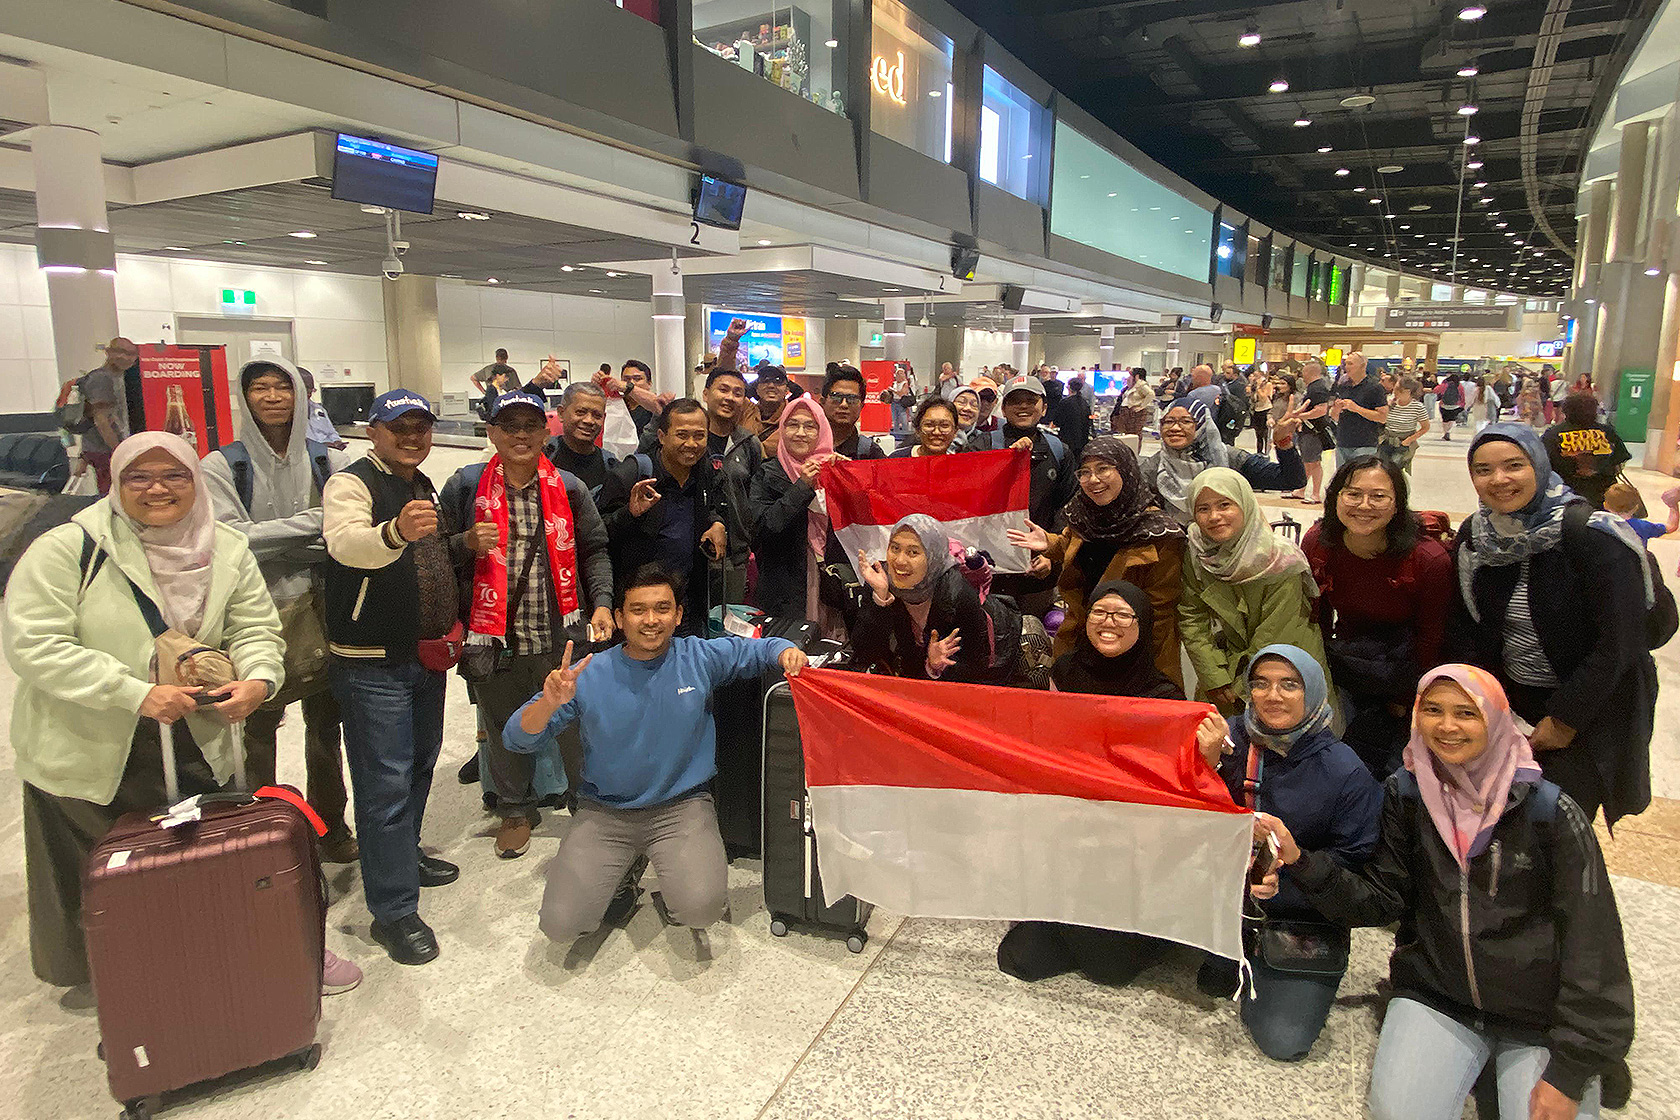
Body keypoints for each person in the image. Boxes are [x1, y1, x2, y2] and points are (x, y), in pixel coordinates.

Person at [6, 432, 357, 996]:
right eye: (138, 477)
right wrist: (131, 692)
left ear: (196, 480)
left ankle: (255, 953)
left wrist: (259, 679)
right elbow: (34, 644)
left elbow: (254, 628)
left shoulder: (223, 547)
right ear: (116, 484)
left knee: (206, 849)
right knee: (107, 869)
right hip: (91, 742)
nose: (158, 489)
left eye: (174, 475)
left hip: (193, 731)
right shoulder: (68, 549)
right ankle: (129, 986)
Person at [1262, 665, 1633, 1120]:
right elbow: (1382, 899)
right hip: (1439, 995)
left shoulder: (1548, 811)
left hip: (1538, 1016)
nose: (1447, 726)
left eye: (1466, 713)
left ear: (1496, 720)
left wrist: (1571, 1071)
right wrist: (1302, 861)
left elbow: (1594, 950)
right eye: (1432, 710)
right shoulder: (1408, 793)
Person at [512, 564, 809, 944]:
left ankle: (668, 876)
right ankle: (623, 877)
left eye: (662, 608)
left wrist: (787, 651)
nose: (651, 620)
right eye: (638, 610)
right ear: (619, 618)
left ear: (679, 614)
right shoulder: (587, 674)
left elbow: (760, 649)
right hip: (605, 812)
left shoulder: (697, 657)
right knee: (560, 926)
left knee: (701, 908)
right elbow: (517, 739)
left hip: (680, 809)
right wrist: (549, 705)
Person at [997, 580, 1229, 985]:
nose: (1110, 623)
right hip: (1069, 831)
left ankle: (1151, 931)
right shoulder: (1065, 673)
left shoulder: (1164, 698)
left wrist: (1207, 757)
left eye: (1124, 615)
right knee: (1019, 959)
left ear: (1143, 626)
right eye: (1101, 612)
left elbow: (1182, 788)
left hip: (1129, 848)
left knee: (1110, 969)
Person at [1446, 424, 1657, 827]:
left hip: (1588, 709)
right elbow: (1468, 625)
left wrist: (1565, 719)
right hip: (1511, 705)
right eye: (1483, 469)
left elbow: (1619, 642)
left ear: (1539, 467)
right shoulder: (1477, 535)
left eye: (1513, 466)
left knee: (1558, 828)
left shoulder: (1591, 534)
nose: (1499, 480)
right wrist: (1483, 702)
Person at [323, 390, 466, 965]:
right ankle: (393, 910)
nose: (413, 436)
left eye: (421, 427)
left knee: (420, 762)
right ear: (373, 431)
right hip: (370, 660)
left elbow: (427, 556)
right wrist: (394, 533)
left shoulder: (420, 483)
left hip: (422, 655)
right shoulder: (351, 484)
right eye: (399, 427)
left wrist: (459, 545)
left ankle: (403, 855)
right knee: (384, 783)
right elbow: (347, 545)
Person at [440, 390, 615, 859]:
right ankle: (515, 810)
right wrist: (464, 542)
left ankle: (590, 808)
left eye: (530, 426)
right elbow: (435, 551)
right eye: (509, 426)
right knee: (502, 724)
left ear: (545, 432)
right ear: (492, 432)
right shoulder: (465, 485)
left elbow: (594, 548)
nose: (520, 435)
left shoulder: (569, 488)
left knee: (577, 722)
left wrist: (601, 602)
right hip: (492, 633)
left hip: (561, 630)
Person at [200, 358, 357, 864]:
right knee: (257, 730)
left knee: (326, 728)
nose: (271, 397)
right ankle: (257, 832)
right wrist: (307, 531)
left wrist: (273, 540)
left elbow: (339, 531)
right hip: (253, 616)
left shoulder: (325, 460)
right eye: (259, 388)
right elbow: (227, 541)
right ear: (243, 398)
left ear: (299, 394)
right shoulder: (221, 466)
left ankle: (332, 825)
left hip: (322, 608)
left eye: (281, 387)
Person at [1201, 645, 1382, 1060]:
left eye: (1289, 685)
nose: (1272, 696)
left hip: (1302, 916)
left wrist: (1293, 869)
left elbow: (1357, 873)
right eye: (1260, 684)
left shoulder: (1345, 771)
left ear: (1314, 692)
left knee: (1283, 1041)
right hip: (1229, 902)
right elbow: (1188, 816)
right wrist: (1205, 766)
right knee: (1210, 984)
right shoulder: (1230, 740)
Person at [1303, 457, 1453, 777]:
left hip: (1407, 670)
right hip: (1349, 662)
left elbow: (1432, 637)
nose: (1364, 505)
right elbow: (1318, 615)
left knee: (1391, 768)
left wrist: (1404, 697)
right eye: (1353, 494)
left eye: (1379, 496)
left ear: (1398, 503)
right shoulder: (1319, 543)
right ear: (1335, 497)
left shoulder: (1427, 559)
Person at [1007, 437, 1186, 684]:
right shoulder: (1084, 515)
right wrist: (1050, 543)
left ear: (1125, 470)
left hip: (1133, 656)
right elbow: (1076, 548)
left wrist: (1149, 678)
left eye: (1103, 469)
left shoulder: (1158, 532)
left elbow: (1160, 613)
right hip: (1080, 643)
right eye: (1085, 472)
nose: (1093, 480)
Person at [1178, 468, 1328, 713]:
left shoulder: (1279, 559)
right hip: (1226, 666)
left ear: (1245, 504)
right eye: (1203, 509)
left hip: (1285, 667)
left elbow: (1276, 634)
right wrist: (1214, 677)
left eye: (1225, 504)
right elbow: (1191, 615)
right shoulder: (1198, 551)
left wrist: (1239, 687)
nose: (1214, 516)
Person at [598, 399, 727, 636]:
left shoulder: (705, 471)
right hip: (639, 610)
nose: (691, 444)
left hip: (685, 607)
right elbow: (598, 538)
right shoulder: (630, 475)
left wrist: (717, 523)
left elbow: (715, 506)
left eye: (699, 436)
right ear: (661, 436)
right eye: (682, 435)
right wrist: (630, 514)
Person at [850, 515, 993, 683]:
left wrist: (934, 667)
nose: (900, 561)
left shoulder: (958, 594)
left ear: (933, 556)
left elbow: (976, 668)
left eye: (913, 552)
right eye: (895, 548)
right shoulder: (880, 581)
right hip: (909, 680)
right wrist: (881, 599)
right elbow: (863, 653)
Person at [747, 396, 840, 622]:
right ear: (782, 429)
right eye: (792, 424)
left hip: (832, 580)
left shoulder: (837, 470)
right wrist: (802, 487)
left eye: (810, 426)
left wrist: (847, 478)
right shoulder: (767, 474)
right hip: (785, 584)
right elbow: (764, 529)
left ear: (822, 431)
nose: (800, 433)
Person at [1140, 404, 1305, 526]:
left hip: (1230, 551)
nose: (1175, 428)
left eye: (1185, 421)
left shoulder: (1229, 459)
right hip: (1176, 552)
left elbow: (1290, 480)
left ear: (1203, 425)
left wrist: (1283, 443)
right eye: (1168, 421)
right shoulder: (1153, 468)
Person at [980, 375, 1076, 532]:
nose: (1023, 406)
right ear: (1003, 409)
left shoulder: (1059, 451)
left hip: (1042, 550)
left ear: (1044, 408)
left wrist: (1051, 546)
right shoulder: (983, 446)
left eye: (1031, 401)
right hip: (991, 549)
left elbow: (1068, 503)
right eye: (1016, 401)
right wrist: (1005, 460)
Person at [72, 336, 139, 493]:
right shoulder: (101, 378)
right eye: (120, 352)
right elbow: (101, 420)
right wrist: (118, 450)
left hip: (102, 450)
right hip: (105, 451)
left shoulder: (120, 379)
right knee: (113, 494)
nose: (124, 357)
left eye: (130, 354)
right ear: (108, 352)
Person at [1543, 392, 1630, 510]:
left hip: (1566, 498)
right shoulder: (1607, 432)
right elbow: (1620, 461)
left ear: (1566, 411)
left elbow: (1544, 466)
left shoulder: (1553, 434)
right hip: (1604, 498)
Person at [543, 381, 617, 494]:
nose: (589, 421)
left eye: (597, 415)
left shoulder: (612, 467)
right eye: (581, 412)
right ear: (561, 413)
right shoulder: (541, 456)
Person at [1282, 359, 1334, 502]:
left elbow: (1321, 410)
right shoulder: (1313, 387)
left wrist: (1299, 415)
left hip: (1314, 431)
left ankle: (1315, 494)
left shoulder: (1317, 388)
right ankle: (1301, 489)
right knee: (1307, 461)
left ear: (1308, 372)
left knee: (1314, 462)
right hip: (1307, 430)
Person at [1330, 352, 1388, 468]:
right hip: (1342, 442)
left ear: (1363, 366)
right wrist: (1336, 409)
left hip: (1365, 443)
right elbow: (1334, 417)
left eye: (1351, 364)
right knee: (1342, 479)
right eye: (1346, 364)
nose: (1347, 367)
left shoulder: (1375, 387)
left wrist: (1356, 408)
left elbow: (1382, 417)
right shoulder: (1343, 386)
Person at [821, 364, 887, 462]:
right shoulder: (805, 446)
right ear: (822, 402)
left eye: (852, 399)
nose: (844, 404)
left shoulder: (871, 454)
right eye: (836, 397)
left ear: (861, 406)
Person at [1378, 376, 1430, 477]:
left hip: (1403, 443)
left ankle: (1401, 490)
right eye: (1395, 388)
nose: (1395, 392)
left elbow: (1425, 427)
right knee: (1383, 469)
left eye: (1399, 390)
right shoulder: (1390, 403)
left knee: (1395, 470)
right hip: (1386, 441)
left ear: (1408, 392)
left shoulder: (1417, 407)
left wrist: (1409, 440)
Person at [890, 396, 965, 457]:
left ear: (955, 431)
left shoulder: (959, 466)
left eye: (944, 426)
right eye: (929, 425)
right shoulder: (896, 459)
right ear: (918, 429)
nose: (936, 432)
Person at [1603, 480, 1677, 542]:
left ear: (1605, 505)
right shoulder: (1643, 526)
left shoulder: (1599, 523)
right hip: (1634, 559)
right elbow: (1671, 527)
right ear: (1636, 507)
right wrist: (1673, 506)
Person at [296, 367, 348, 450]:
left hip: (329, 451)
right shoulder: (285, 413)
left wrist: (337, 441)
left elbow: (331, 432)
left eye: (311, 390)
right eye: (306, 389)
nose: (309, 394)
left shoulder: (319, 409)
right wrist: (321, 445)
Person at [750, 365, 795, 453]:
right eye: (765, 380)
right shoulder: (746, 411)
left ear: (787, 390)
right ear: (757, 389)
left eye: (778, 381)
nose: (771, 385)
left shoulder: (795, 417)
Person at [1112, 371, 1153, 451]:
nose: (1128, 378)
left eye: (1130, 376)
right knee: (1125, 434)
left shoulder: (1141, 385)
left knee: (1134, 434)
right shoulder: (1130, 386)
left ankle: (1134, 452)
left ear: (1136, 376)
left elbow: (1150, 394)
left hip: (1135, 414)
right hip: (1125, 412)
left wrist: (1141, 406)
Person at [620, 360, 657, 435]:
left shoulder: (655, 407)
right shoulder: (616, 405)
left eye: (637, 379)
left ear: (649, 383)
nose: (632, 383)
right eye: (626, 379)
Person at [1437, 371, 1466, 441]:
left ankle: (1445, 432)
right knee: (1451, 419)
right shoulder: (1460, 386)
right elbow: (1462, 396)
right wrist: (1463, 404)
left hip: (1444, 405)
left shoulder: (1445, 385)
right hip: (1455, 406)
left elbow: (1436, 390)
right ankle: (1448, 431)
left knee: (1445, 420)